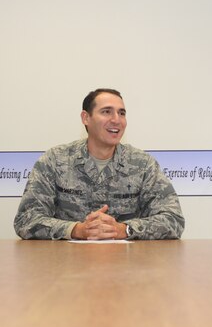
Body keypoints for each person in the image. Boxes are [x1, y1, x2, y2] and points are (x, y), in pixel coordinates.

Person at [14, 88, 184, 240]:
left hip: (128, 267)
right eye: (106, 112)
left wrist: (124, 229)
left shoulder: (143, 164)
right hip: (66, 266)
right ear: (86, 118)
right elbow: (26, 220)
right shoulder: (55, 160)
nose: (116, 120)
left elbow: (173, 220)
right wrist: (77, 230)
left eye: (122, 113)